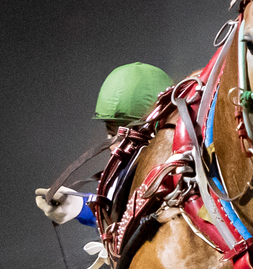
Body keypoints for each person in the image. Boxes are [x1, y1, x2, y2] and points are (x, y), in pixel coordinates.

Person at [36, 62, 174, 231]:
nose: (114, 147)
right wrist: (78, 206)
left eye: (128, 134)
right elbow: (121, 214)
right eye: (110, 133)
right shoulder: (125, 175)